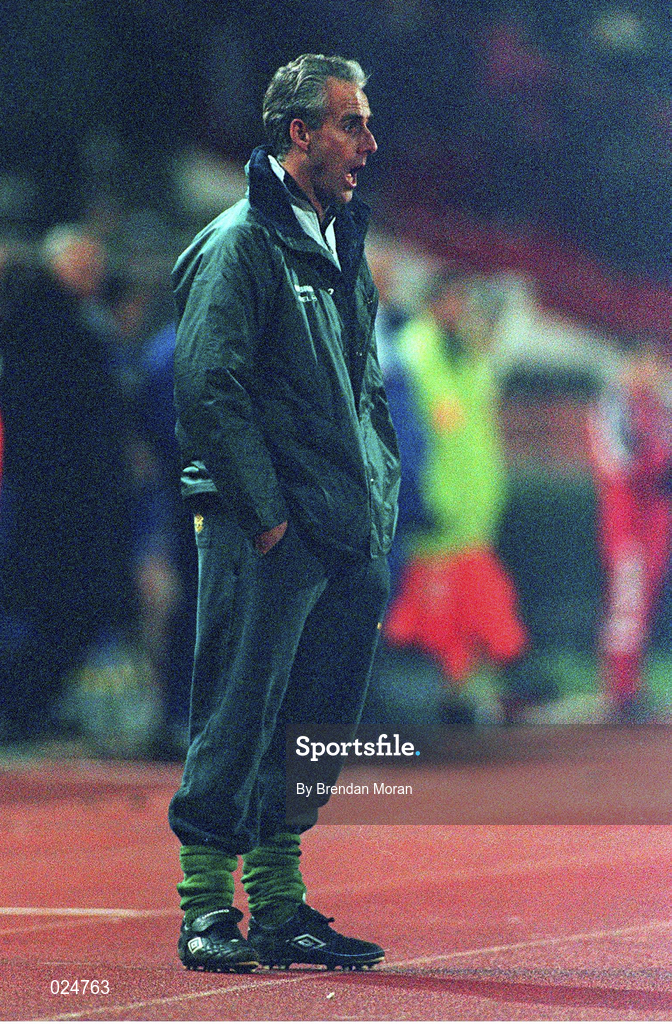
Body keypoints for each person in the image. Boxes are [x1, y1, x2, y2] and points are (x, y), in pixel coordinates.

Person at [167, 54, 400, 973]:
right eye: (350, 124)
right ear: (298, 132)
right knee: (239, 713)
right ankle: (203, 910)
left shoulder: (343, 242)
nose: (368, 145)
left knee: (315, 729)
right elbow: (208, 389)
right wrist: (267, 519)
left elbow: (367, 388)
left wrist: (376, 494)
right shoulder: (238, 244)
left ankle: (278, 907)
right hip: (268, 531)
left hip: (346, 530)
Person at [383, 269, 558, 722]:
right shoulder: (415, 353)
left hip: (470, 512)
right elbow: (411, 435)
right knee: (453, 610)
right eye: (456, 301)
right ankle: (494, 683)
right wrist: (419, 498)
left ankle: (455, 697)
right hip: (436, 512)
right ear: (435, 302)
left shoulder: (463, 355)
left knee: (456, 613)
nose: (463, 312)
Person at [588, 337, 672, 722]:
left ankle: (631, 685)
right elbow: (619, 464)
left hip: (655, 521)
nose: (651, 373)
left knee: (642, 604)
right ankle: (620, 690)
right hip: (626, 523)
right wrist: (657, 459)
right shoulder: (612, 407)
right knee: (627, 604)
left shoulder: (657, 409)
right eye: (645, 364)